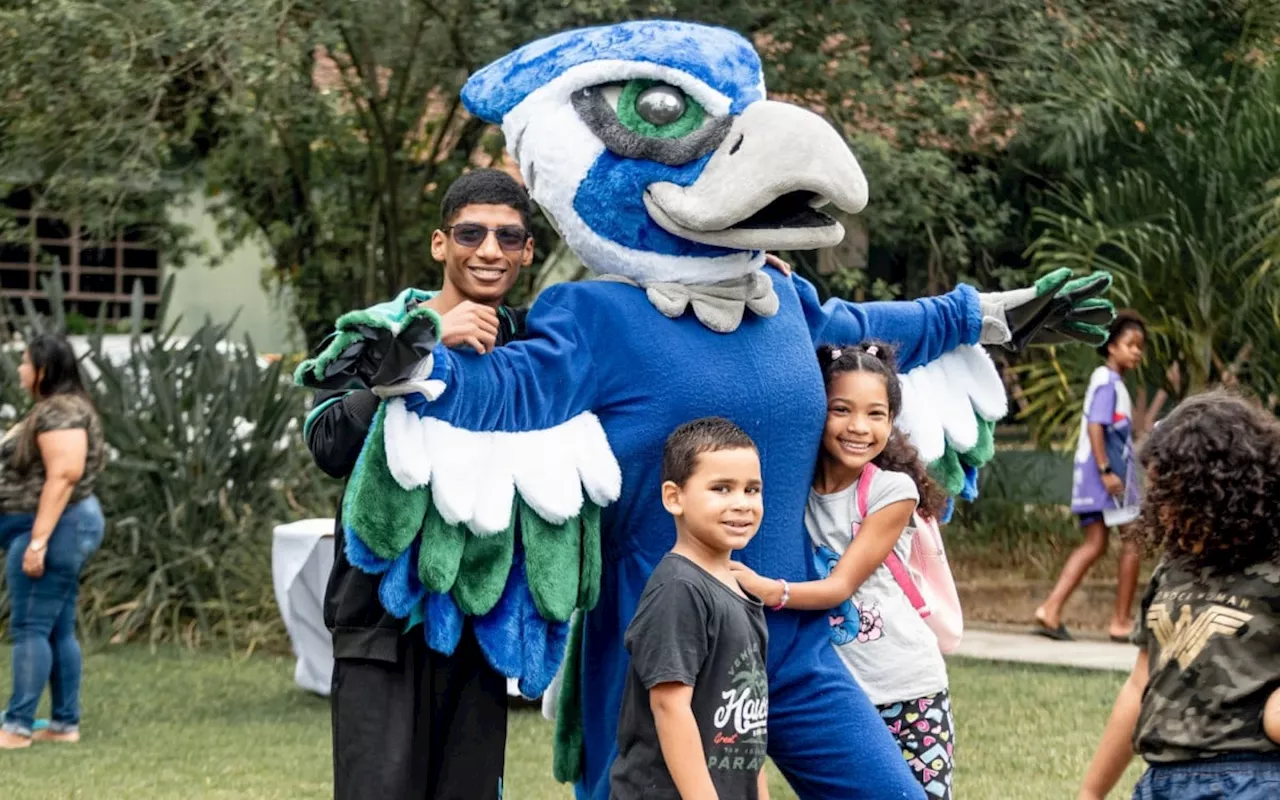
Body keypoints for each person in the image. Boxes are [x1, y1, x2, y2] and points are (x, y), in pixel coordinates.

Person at [304, 168, 534, 800]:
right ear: (440, 243)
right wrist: (419, 350)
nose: (490, 250)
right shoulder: (376, 327)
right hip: (378, 617)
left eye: (508, 238)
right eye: (471, 232)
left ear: (527, 251)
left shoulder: (526, 343)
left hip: (475, 617)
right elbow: (327, 444)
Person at [732, 342, 956, 799]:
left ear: (892, 423)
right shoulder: (793, 488)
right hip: (840, 695)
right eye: (841, 409)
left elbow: (840, 586)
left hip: (908, 690)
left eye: (876, 414)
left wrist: (766, 589)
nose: (859, 427)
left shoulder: (893, 492)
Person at [1078, 389, 1280, 800]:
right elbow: (1139, 686)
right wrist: (1090, 794)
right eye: (1159, 496)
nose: (1163, 511)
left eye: (1176, 496)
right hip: (1163, 780)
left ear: (1226, 489)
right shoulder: (1173, 571)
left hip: (1252, 780)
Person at [610, 417, 770, 800]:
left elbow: (751, 733)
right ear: (674, 497)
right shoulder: (680, 589)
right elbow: (669, 706)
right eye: (721, 489)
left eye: (752, 489)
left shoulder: (737, 586)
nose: (741, 504)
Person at [0, 333, 106, 749]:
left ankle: (17, 727)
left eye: (26, 363)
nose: (21, 370)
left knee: (30, 625)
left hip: (55, 528)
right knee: (56, 628)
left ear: (43, 370)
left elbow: (65, 474)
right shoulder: (56, 409)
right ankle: (64, 724)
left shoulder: (62, 411)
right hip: (54, 526)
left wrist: (39, 542)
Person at [1035, 311, 1147, 642]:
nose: (1136, 352)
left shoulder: (1113, 384)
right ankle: (1120, 621)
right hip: (1106, 477)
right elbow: (1096, 425)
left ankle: (1051, 609)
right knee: (1134, 540)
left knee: (1096, 543)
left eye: (1140, 347)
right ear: (1111, 346)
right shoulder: (1107, 381)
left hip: (1099, 476)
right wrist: (1106, 470)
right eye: (1130, 344)